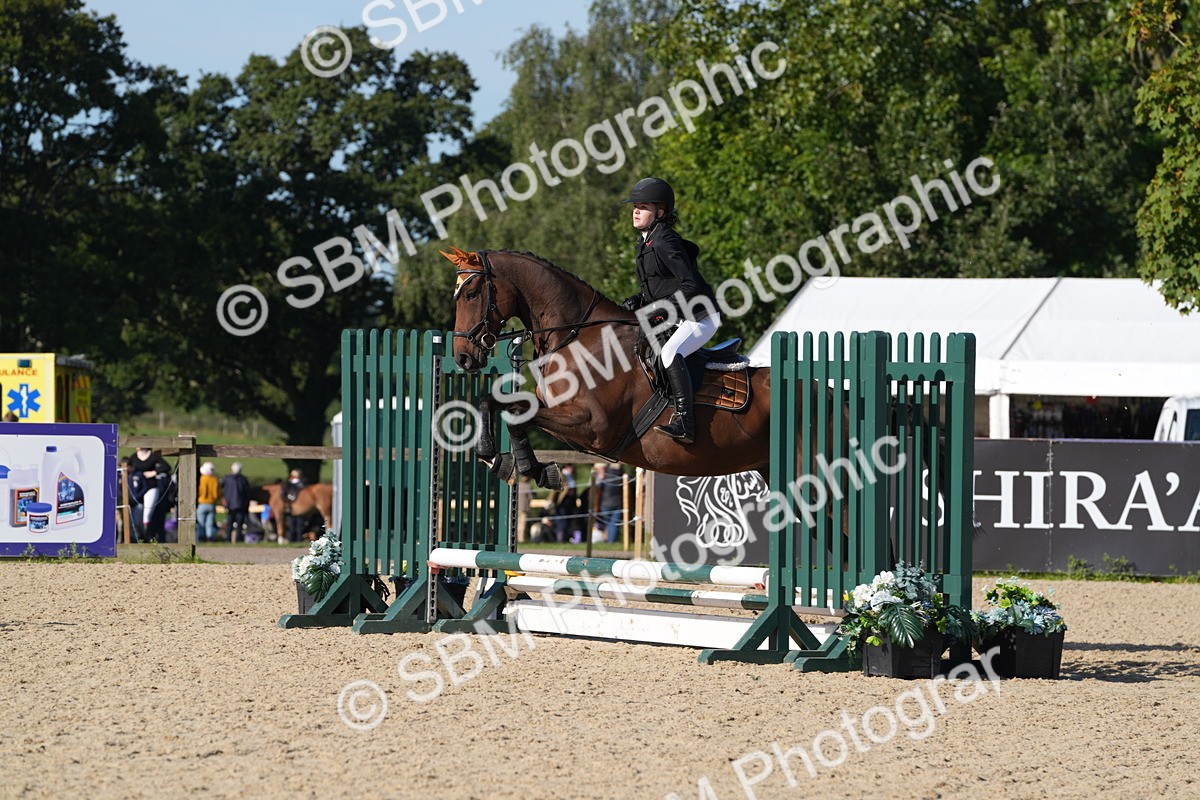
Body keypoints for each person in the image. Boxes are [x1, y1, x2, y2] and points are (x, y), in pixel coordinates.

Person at [621, 177, 718, 444]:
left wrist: (658, 309)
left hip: (699, 316)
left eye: (643, 207)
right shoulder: (645, 243)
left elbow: (690, 285)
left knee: (669, 353)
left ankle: (686, 422)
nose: (635, 211)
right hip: (677, 315)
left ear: (660, 212)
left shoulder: (664, 241)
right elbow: (662, 286)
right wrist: (638, 299)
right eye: (635, 206)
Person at [127, 446, 172, 541]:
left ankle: (147, 536)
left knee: (147, 513)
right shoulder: (134, 457)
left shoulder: (153, 456)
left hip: (151, 487)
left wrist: (154, 472)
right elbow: (127, 467)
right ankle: (138, 536)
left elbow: (167, 467)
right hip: (138, 488)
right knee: (137, 514)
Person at [591, 463, 627, 544]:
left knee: (609, 523)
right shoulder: (622, 476)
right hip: (617, 503)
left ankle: (610, 541)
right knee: (614, 523)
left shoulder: (605, 476)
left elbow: (599, 489)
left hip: (605, 504)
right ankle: (611, 541)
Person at [544, 463, 578, 543]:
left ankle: (566, 539)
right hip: (562, 502)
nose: (571, 468)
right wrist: (550, 500)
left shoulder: (570, 476)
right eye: (569, 466)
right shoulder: (561, 475)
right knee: (561, 521)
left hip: (570, 501)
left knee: (567, 521)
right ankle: (560, 539)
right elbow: (555, 489)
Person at [220, 462, 252, 543]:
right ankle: (238, 539)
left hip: (229, 505)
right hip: (241, 505)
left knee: (229, 523)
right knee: (239, 524)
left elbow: (220, 488)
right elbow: (247, 493)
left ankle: (228, 539)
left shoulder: (226, 479)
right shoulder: (243, 479)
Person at [283, 468, 309, 543]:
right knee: (297, 525)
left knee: (293, 525)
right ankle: (298, 539)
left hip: (293, 508)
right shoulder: (301, 485)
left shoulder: (290, 485)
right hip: (297, 508)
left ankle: (292, 539)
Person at [196, 462, 219, 542]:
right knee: (209, 523)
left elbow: (201, 491)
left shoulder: (202, 478)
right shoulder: (214, 479)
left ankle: (201, 537)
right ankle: (209, 537)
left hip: (202, 503)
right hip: (211, 504)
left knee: (201, 523)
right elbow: (216, 494)